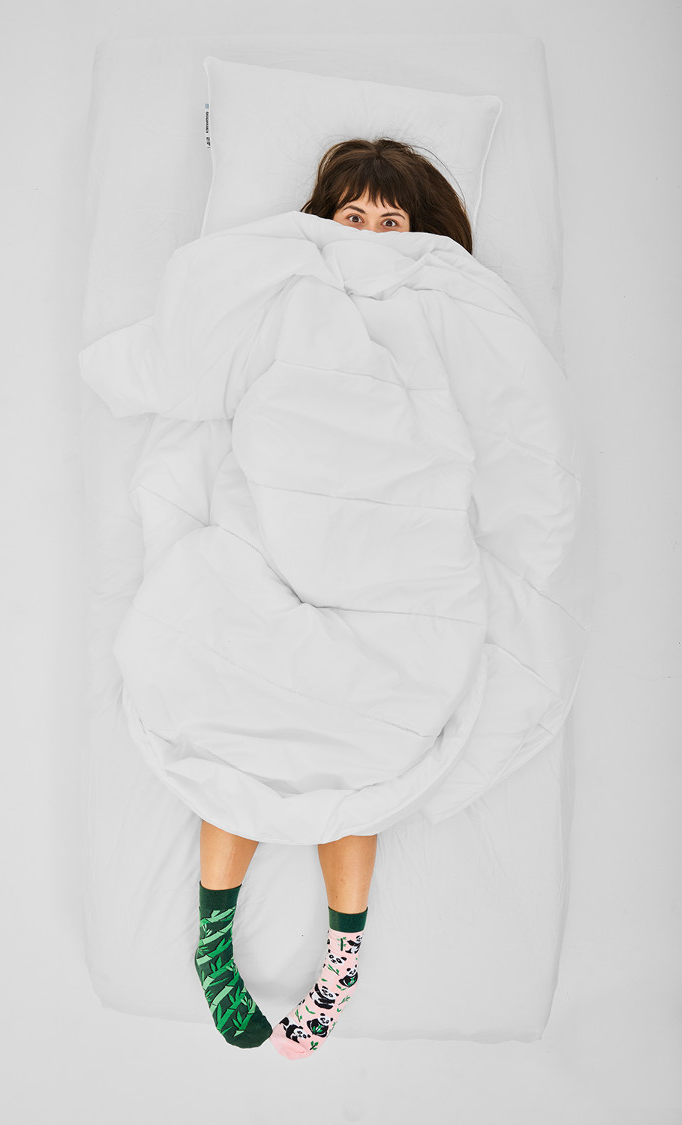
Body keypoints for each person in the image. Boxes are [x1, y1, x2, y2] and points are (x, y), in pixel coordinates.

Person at [193, 137, 473, 1059]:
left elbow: (471, 415)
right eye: (352, 217)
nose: (369, 236)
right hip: (280, 516)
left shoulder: (439, 304)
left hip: (388, 542)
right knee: (239, 716)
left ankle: (341, 960)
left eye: (391, 222)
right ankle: (212, 940)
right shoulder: (292, 285)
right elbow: (237, 375)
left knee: (365, 738)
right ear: (321, 224)